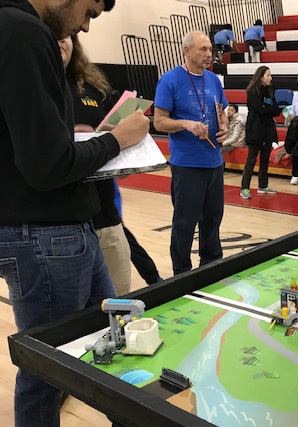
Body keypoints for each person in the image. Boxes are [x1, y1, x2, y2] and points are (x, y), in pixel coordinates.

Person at [0, 1, 149, 425]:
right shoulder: (22, 31)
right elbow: (49, 165)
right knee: (46, 374)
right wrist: (117, 140)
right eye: (89, 12)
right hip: (48, 239)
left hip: (58, 234)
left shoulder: (20, 31)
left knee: (111, 338)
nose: (84, 24)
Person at [154, 31, 229, 276]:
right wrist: (185, 124)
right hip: (187, 165)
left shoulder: (214, 80)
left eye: (210, 49)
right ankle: (182, 273)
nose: (209, 54)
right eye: (203, 49)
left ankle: (211, 266)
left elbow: (223, 110)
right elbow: (159, 122)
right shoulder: (170, 80)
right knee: (185, 223)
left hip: (214, 161)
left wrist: (225, 125)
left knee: (213, 219)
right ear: (187, 50)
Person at [62, 35, 131, 296]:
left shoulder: (92, 87)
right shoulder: (34, 87)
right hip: (61, 227)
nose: (61, 40)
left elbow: (113, 138)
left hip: (107, 217)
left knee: (120, 303)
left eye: (66, 35)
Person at [241, 66, 281, 199]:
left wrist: (267, 108)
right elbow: (260, 109)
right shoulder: (252, 91)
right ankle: (245, 188)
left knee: (265, 159)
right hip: (255, 128)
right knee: (251, 159)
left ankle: (263, 186)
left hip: (268, 128)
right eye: (268, 75)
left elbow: (277, 110)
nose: (271, 78)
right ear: (261, 76)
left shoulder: (270, 90)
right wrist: (269, 109)